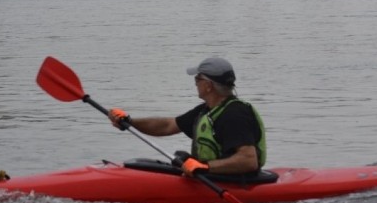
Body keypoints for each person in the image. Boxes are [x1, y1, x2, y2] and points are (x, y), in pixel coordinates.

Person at [108, 57, 266, 177]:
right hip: (212, 177)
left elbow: (248, 161)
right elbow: (168, 126)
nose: (195, 83)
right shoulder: (207, 110)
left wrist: (206, 167)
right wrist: (129, 121)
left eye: (197, 79)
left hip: (235, 182)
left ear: (208, 85)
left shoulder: (235, 115)